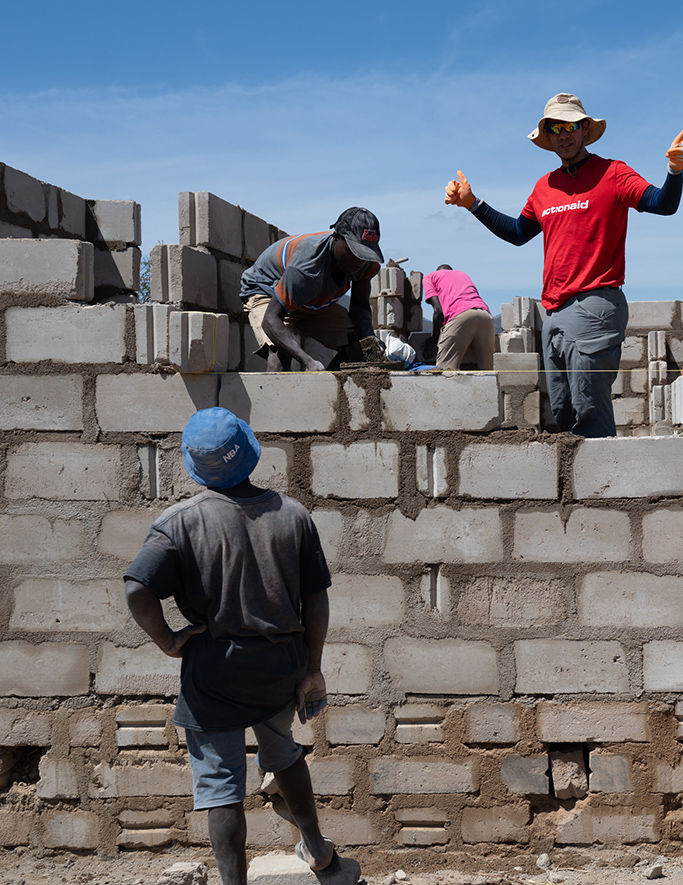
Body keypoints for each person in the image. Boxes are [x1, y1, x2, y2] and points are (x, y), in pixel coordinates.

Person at [123, 408, 337, 885]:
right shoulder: (292, 515)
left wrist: (169, 641)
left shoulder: (178, 523)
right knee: (283, 751)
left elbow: (138, 590)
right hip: (279, 668)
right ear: (249, 451)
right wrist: (313, 667)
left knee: (221, 787)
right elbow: (315, 598)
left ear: (194, 465)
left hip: (214, 674)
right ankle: (318, 848)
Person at [444, 93, 683, 437]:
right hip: (554, 313)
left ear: (584, 129)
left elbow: (662, 203)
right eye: (555, 128)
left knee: (589, 409)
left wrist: (674, 172)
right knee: (562, 411)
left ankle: (606, 471)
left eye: (570, 126)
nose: (563, 134)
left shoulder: (612, 173)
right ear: (547, 136)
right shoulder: (544, 187)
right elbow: (517, 233)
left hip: (595, 304)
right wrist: (474, 204)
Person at [239, 207, 384, 372]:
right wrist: (308, 361)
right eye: (355, 252)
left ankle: (332, 387)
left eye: (365, 254)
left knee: (360, 347)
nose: (360, 261)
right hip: (268, 292)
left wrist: (370, 337)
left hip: (305, 300)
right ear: (336, 237)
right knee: (279, 358)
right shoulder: (308, 265)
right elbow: (270, 319)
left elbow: (360, 305)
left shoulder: (365, 264)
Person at [423, 264, 494, 371]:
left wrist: (433, 340)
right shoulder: (463, 274)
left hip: (461, 316)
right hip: (485, 316)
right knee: (488, 371)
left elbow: (439, 312)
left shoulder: (430, 277)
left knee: (445, 372)